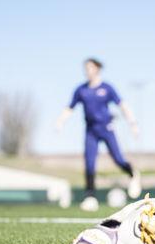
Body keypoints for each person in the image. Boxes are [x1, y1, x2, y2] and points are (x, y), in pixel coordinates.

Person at [56, 58, 141, 212]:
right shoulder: (81, 90)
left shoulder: (107, 88)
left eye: (90, 68)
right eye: (85, 68)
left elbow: (122, 105)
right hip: (91, 130)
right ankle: (90, 197)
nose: (87, 71)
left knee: (118, 159)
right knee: (89, 163)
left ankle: (133, 174)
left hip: (107, 128)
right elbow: (70, 107)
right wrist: (60, 122)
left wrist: (133, 124)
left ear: (97, 69)